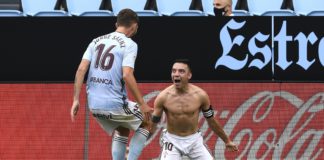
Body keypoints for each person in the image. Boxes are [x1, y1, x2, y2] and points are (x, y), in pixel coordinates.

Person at [70, 8, 152, 160]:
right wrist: (142, 103)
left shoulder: (96, 41)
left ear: (116, 24)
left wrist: (76, 100)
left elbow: (81, 69)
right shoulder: (129, 44)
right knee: (148, 122)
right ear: (134, 26)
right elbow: (127, 75)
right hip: (114, 104)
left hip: (94, 106)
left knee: (123, 128)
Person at [151, 59, 238, 160]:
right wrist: (142, 136)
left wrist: (227, 141)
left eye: (181, 71)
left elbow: (211, 121)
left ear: (189, 75)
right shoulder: (163, 97)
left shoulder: (201, 95)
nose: (176, 74)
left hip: (194, 141)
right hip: (172, 141)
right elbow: (153, 123)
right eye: (174, 71)